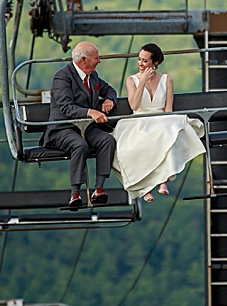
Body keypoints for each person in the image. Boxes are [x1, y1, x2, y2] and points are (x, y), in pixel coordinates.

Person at [112, 43, 205, 202]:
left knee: (166, 132)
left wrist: (167, 122)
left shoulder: (166, 79)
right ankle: (144, 188)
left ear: (154, 63)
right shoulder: (131, 80)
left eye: (145, 61)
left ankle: (162, 180)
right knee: (135, 144)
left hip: (161, 118)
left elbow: (168, 108)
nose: (140, 64)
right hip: (139, 119)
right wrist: (142, 83)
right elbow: (134, 106)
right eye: (139, 60)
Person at [41, 41, 118, 209]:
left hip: (85, 127)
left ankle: (99, 188)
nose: (99, 61)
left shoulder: (93, 77)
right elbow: (65, 107)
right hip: (63, 128)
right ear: (84, 60)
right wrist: (91, 112)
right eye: (96, 58)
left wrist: (109, 99)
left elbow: (109, 89)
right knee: (79, 145)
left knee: (107, 141)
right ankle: (75, 192)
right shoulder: (63, 77)